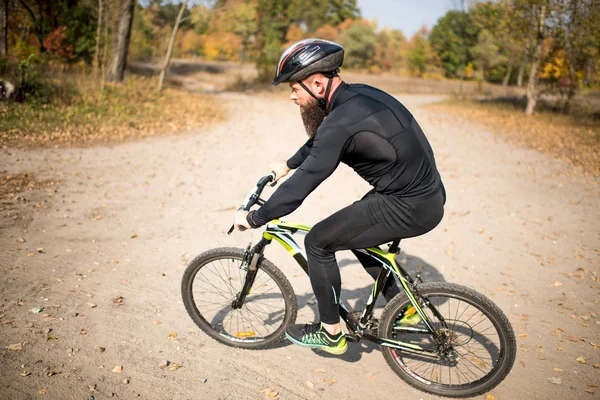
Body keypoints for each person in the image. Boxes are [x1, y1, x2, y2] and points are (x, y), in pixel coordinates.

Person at [233, 39, 445, 355]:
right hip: (425, 195)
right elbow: (321, 141)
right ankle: (405, 307)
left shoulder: (340, 122)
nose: (292, 96)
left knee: (318, 242)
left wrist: (253, 218)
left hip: (407, 204)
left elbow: (300, 188)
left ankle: (331, 332)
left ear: (317, 83)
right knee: (354, 232)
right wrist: (288, 165)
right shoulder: (360, 96)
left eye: (294, 87)